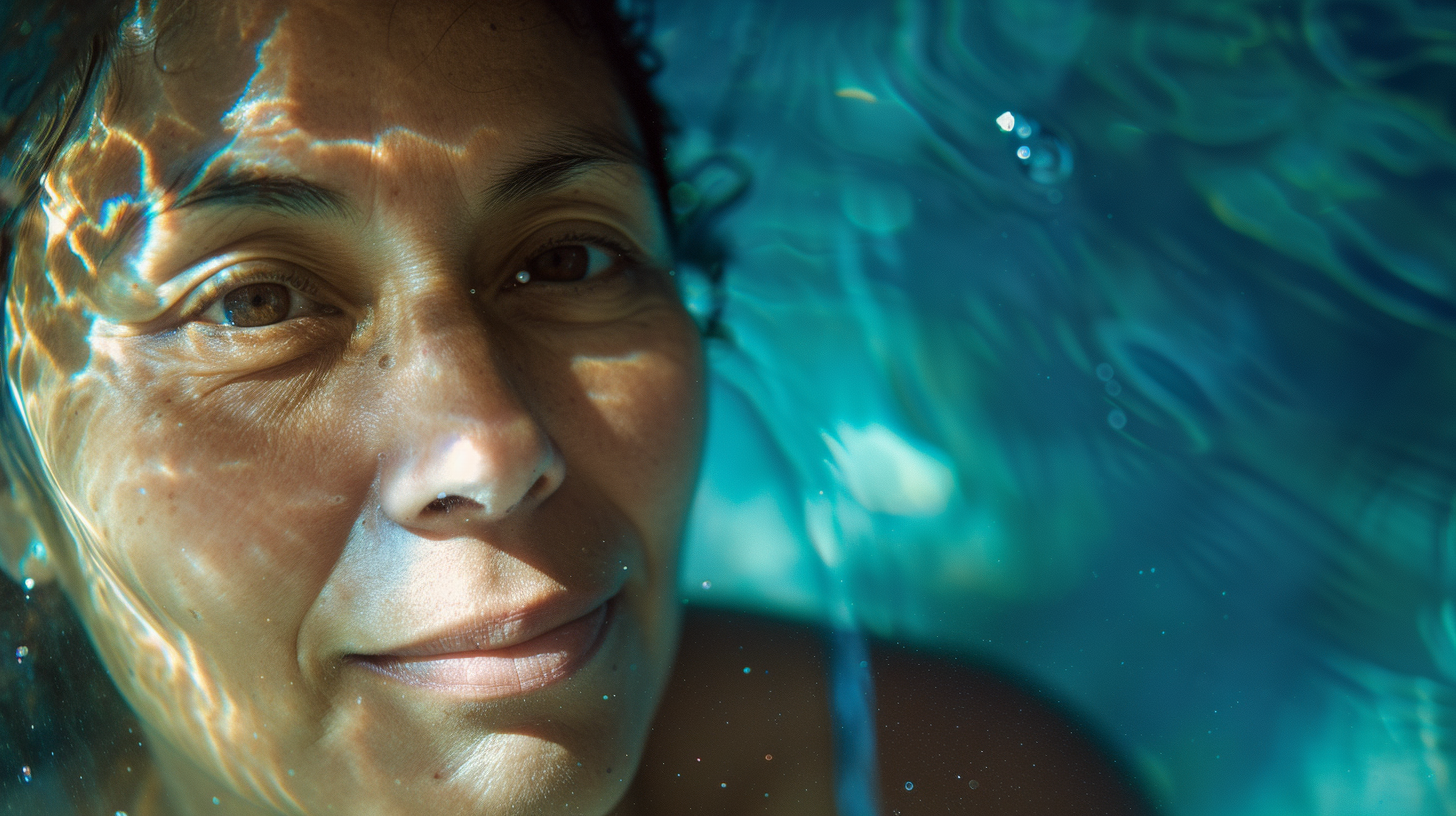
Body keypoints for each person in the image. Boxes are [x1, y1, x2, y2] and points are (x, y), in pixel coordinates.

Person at [0, 1, 1154, 814]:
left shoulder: (943, 785)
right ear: (15, 483)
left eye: (567, 263)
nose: (492, 445)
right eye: (255, 303)